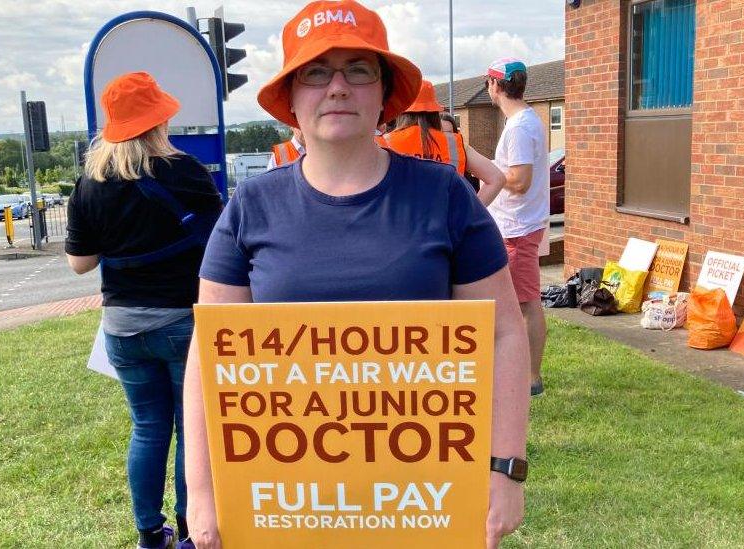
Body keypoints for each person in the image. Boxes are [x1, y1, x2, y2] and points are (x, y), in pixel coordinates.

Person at [183, 3, 530, 549]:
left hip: (422, 498)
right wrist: (202, 495)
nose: (337, 87)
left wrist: (505, 469)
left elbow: (505, 334)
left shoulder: (444, 197)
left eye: (358, 70)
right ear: (292, 98)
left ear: (383, 93)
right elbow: (210, 351)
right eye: (316, 72)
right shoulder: (251, 207)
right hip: (285, 501)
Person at [65, 71, 223, 549]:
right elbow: (221, 245)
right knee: (189, 428)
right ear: (158, 121)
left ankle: (150, 534)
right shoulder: (187, 173)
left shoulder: (89, 185)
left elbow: (79, 264)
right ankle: (191, 529)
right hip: (183, 323)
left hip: (123, 329)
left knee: (148, 427)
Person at [484, 58, 551, 397]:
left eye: (488, 83)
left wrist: (489, 173)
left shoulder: (521, 127)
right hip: (514, 226)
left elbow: (520, 181)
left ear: (496, 86)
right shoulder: (522, 122)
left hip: (519, 229)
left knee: (526, 304)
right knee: (518, 302)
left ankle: (532, 379)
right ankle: (521, 373)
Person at [383, 79, 504, 205]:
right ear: (435, 112)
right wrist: (470, 214)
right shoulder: (454, 144)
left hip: (398, 221)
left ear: (401, 112)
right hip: (445, 221)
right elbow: (496, 178)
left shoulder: (384, 143)